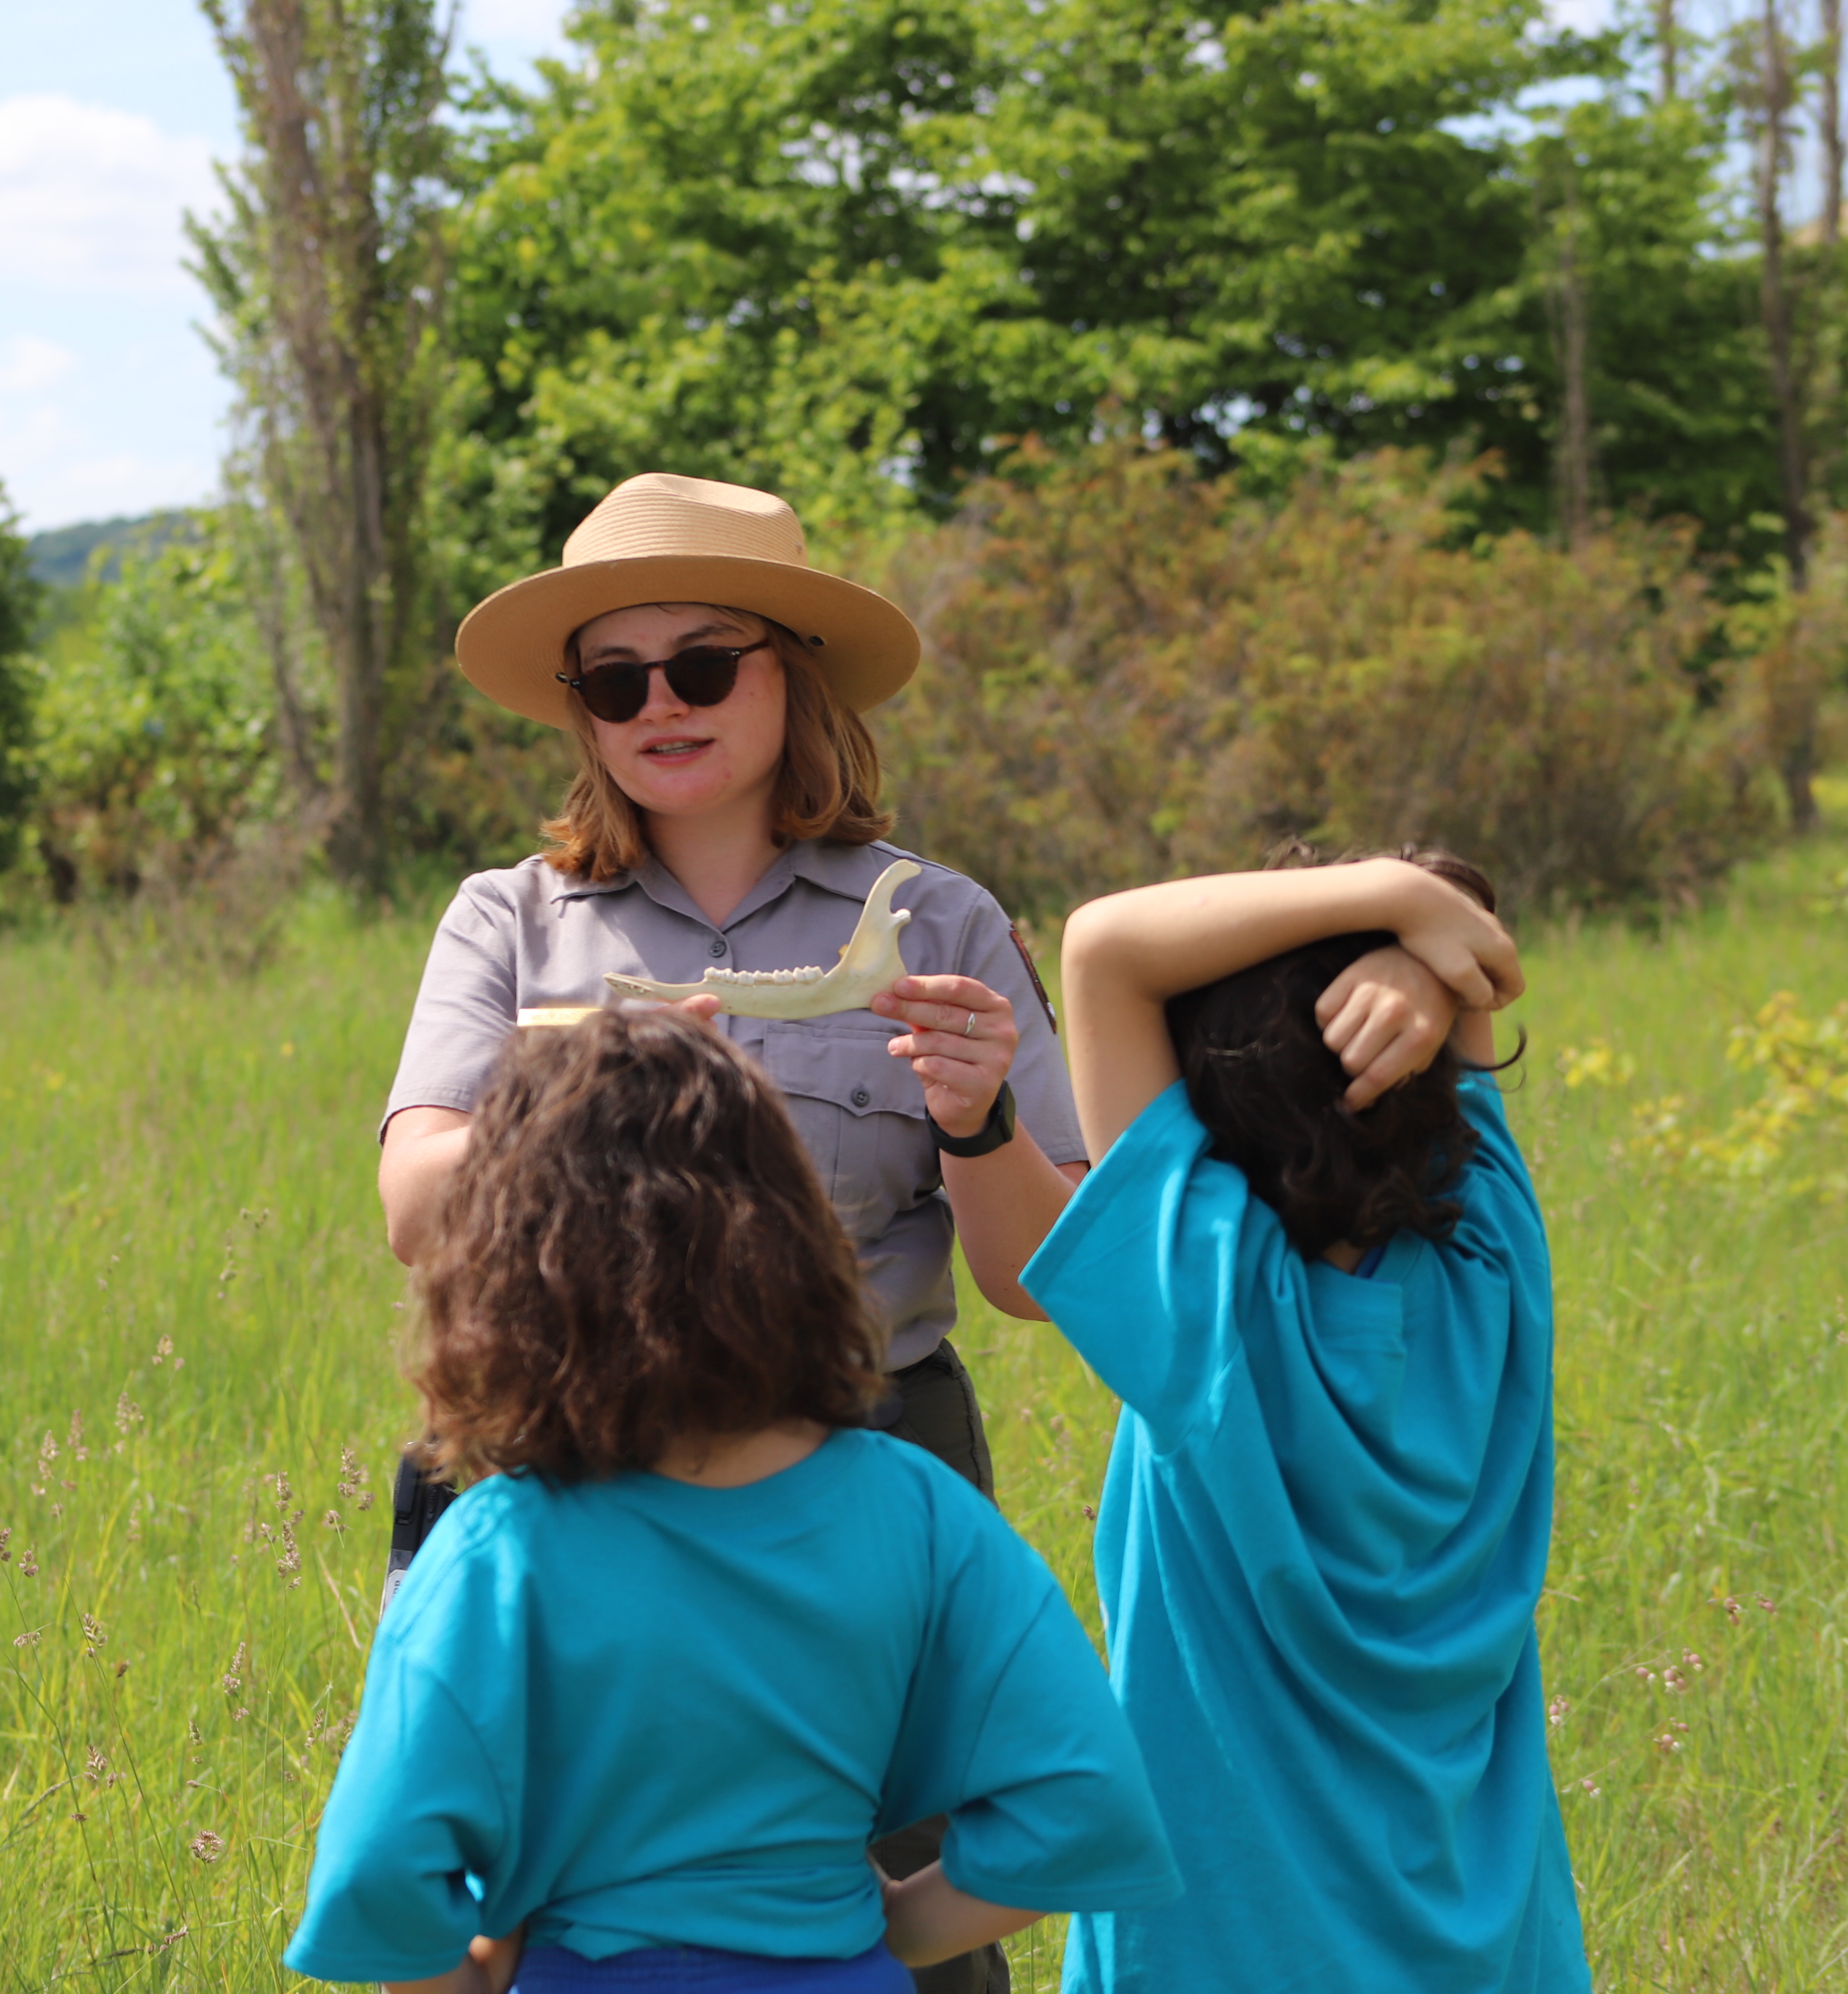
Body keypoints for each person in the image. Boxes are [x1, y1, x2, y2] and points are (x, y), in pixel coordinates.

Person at [295, 1011, 1180, 1994]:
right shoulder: (919, 1510)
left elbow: (377, 1885)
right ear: (792, 1235)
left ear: (510, 1275)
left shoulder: (499, 1552)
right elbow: (1089, 1811)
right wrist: (884, 1934)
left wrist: (475, 1975)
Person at [1020, 850, 1591, 1992]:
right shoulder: (1493, 1265)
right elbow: (1472, 946)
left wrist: (1387, 902)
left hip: (1219, 1952)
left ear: (1200, 1107)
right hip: (1485, 1945)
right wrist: (1416, 951)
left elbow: (1102, 949)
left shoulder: (1201, 1313)